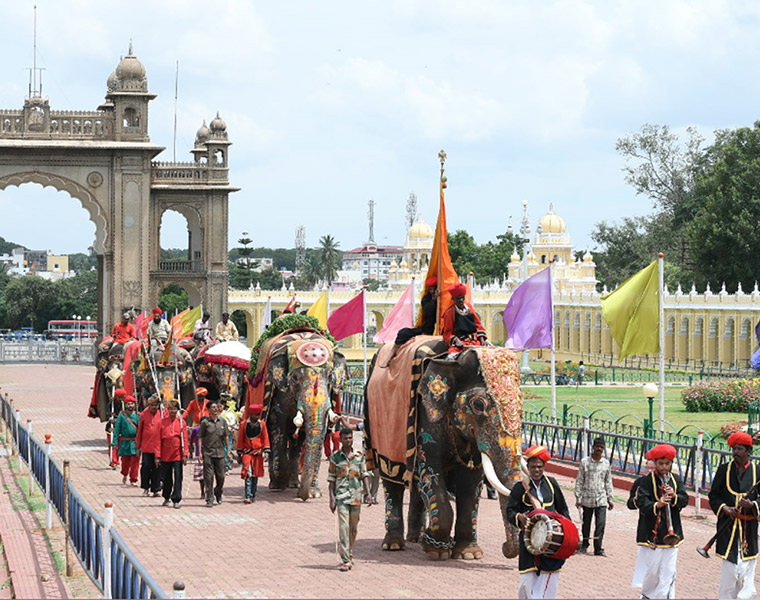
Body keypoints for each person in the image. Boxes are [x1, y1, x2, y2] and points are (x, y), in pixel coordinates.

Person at [506, 445, 571, 599]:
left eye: (540, 467)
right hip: (529, 541)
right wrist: (519, 517)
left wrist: (567, 533)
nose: (536, 470)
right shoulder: (520, 488)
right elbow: (510, 511)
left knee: (548, 581)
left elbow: (563, 510)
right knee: (526, 583)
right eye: (533, 467)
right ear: (527, 467)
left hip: (551, 541)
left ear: (544, 467)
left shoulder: (552, 484)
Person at [708, 431, 760, 600]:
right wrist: (724, 508)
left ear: (748, 452)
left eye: (739, 449)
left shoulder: (757, 471)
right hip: (728, 527)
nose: (735, 452)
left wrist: (753, 505)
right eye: (734, 449)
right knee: (730, 570)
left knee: (747, 565)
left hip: (749, 528)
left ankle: (747, 591)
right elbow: (714, 495)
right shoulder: (724, 470)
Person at [635, 443, 688, 600]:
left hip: (673, 533)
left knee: (669, 571)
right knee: (653, 570)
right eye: (661, 464)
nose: (664, 467)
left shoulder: (676, 479)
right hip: (652, 533)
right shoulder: (645, 481)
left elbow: (684, 500)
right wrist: (657, 504)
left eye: (667, 464)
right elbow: (642, 503)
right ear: (655, 463)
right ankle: (647, 595)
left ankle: (664, 597)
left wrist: (674, 497)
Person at [328, 427, 373, 571]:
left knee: (353, 529)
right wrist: (332, 498)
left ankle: (350, 551)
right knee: (343, 527)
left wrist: (368, 493)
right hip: (341, 496)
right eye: (345, 438)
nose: (348, 441)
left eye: (350, 438)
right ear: (340, 440)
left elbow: (364, 475)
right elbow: (331, 480)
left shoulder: (359, 456)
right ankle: (346, 559)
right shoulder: (335, 458)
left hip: (356, 497)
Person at [378, 276, 439, 368]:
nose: (432, 291)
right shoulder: (427, 299)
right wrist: (434, 299)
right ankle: (391, 355)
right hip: (428, 328)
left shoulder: (446, 299)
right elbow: (428, 311)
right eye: (431, 289)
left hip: (445, 329)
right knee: (403, 332)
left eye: (434, 289)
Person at [574, 437, 613, 556]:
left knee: (600, 524)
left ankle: (598, 548)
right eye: (598, 447)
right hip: (587, 498)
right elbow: (579, 480)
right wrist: (578, 497)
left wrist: (610, 498)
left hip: (601, 499)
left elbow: (608, 482)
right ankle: (585, 545)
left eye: (602, 447)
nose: (599, 449)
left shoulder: (606, 464)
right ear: (593, 447)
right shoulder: (585, 462)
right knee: (586, 523)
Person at [155, 399, 189, 509]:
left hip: (177, 453)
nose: (173, 411)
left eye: (175, 409)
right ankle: (166, 496)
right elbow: (158, 440)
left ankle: (176, 498)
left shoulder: (181, 422)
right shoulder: (162, 422)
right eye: (170, 409)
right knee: (166, 477)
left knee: (178, 476)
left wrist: (185, 454)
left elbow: (185, 439)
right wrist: (157, 456)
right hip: (165, 454)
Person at [628, 459, 656, 590]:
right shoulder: (640, 482)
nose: (649, 471)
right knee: (644, 558)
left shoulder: (667, 482)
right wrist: (636, 499)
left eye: (652, 468)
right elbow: (630, 504)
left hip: (662, 527)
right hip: (645, 526)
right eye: (648, 468)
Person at [441, 283, 487, 355]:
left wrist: (482, 339)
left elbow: (478, 325)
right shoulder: (449, 313)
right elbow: (447, 333)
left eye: (462, 297)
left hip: (476, 341)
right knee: (452, 356)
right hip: (461, 342)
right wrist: (456, 341)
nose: (461, 300)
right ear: (453, 299)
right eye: (458, 298)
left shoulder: (469, 307)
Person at [199, 401, 229, 507]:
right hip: (208, 453)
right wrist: (199, 453)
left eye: (216, 407)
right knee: (208, 477)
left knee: (221, 476)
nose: (215, 409)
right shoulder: (205, 423)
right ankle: (210, 498)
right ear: (208, 410)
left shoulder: (223, 422)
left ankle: (218, 491)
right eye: (213, 407)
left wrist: (229, 451)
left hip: (220, 453)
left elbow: (226, 436)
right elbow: (200, 437)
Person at [237, 404, 269, 503]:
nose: (256, 417)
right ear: (250, 414)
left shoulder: (262, 424)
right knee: (248, 474)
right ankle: (247, 495)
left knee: (255, 475)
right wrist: (239, 452)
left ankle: (253, 494)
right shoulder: (243, 424)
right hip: (247, 453)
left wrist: (266, 451)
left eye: (258, 415)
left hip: (258, 454)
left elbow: (265, 438)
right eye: (254, 415)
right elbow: (240, 439)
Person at [135, 395, 163, 497]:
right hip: (146, 446)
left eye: (156, 405)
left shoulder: (162, 414)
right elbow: (139, 432)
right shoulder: (144, 415)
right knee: (146, 467)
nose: (154, 407)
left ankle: (156, 489)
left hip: (158, 446)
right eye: (151, 405)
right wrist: (137, 447)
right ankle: (146, 488)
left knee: (157, 468)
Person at [111, 395, 140, 486]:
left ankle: (133, 479)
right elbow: (117, 430)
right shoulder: (121, 416)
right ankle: (124, 474)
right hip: (125, 442)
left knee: (135, 462)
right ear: (125, 405)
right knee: (125, 462)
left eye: (132, 404)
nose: (130, 405)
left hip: (135, 442)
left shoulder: (138, 416)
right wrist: (115, 442)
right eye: (128, 404)